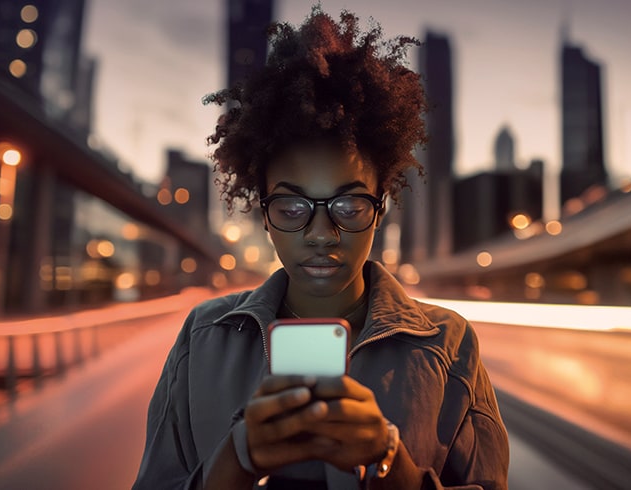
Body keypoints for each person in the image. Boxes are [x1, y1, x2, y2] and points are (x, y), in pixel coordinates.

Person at [133, 7, 509, 489]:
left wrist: (387, 459)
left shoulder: (448, 343)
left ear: (382, 203)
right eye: (291, 207)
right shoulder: (202, 338)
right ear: (263, 210)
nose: (320, 233)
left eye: (349, 204)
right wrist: (236, 461)